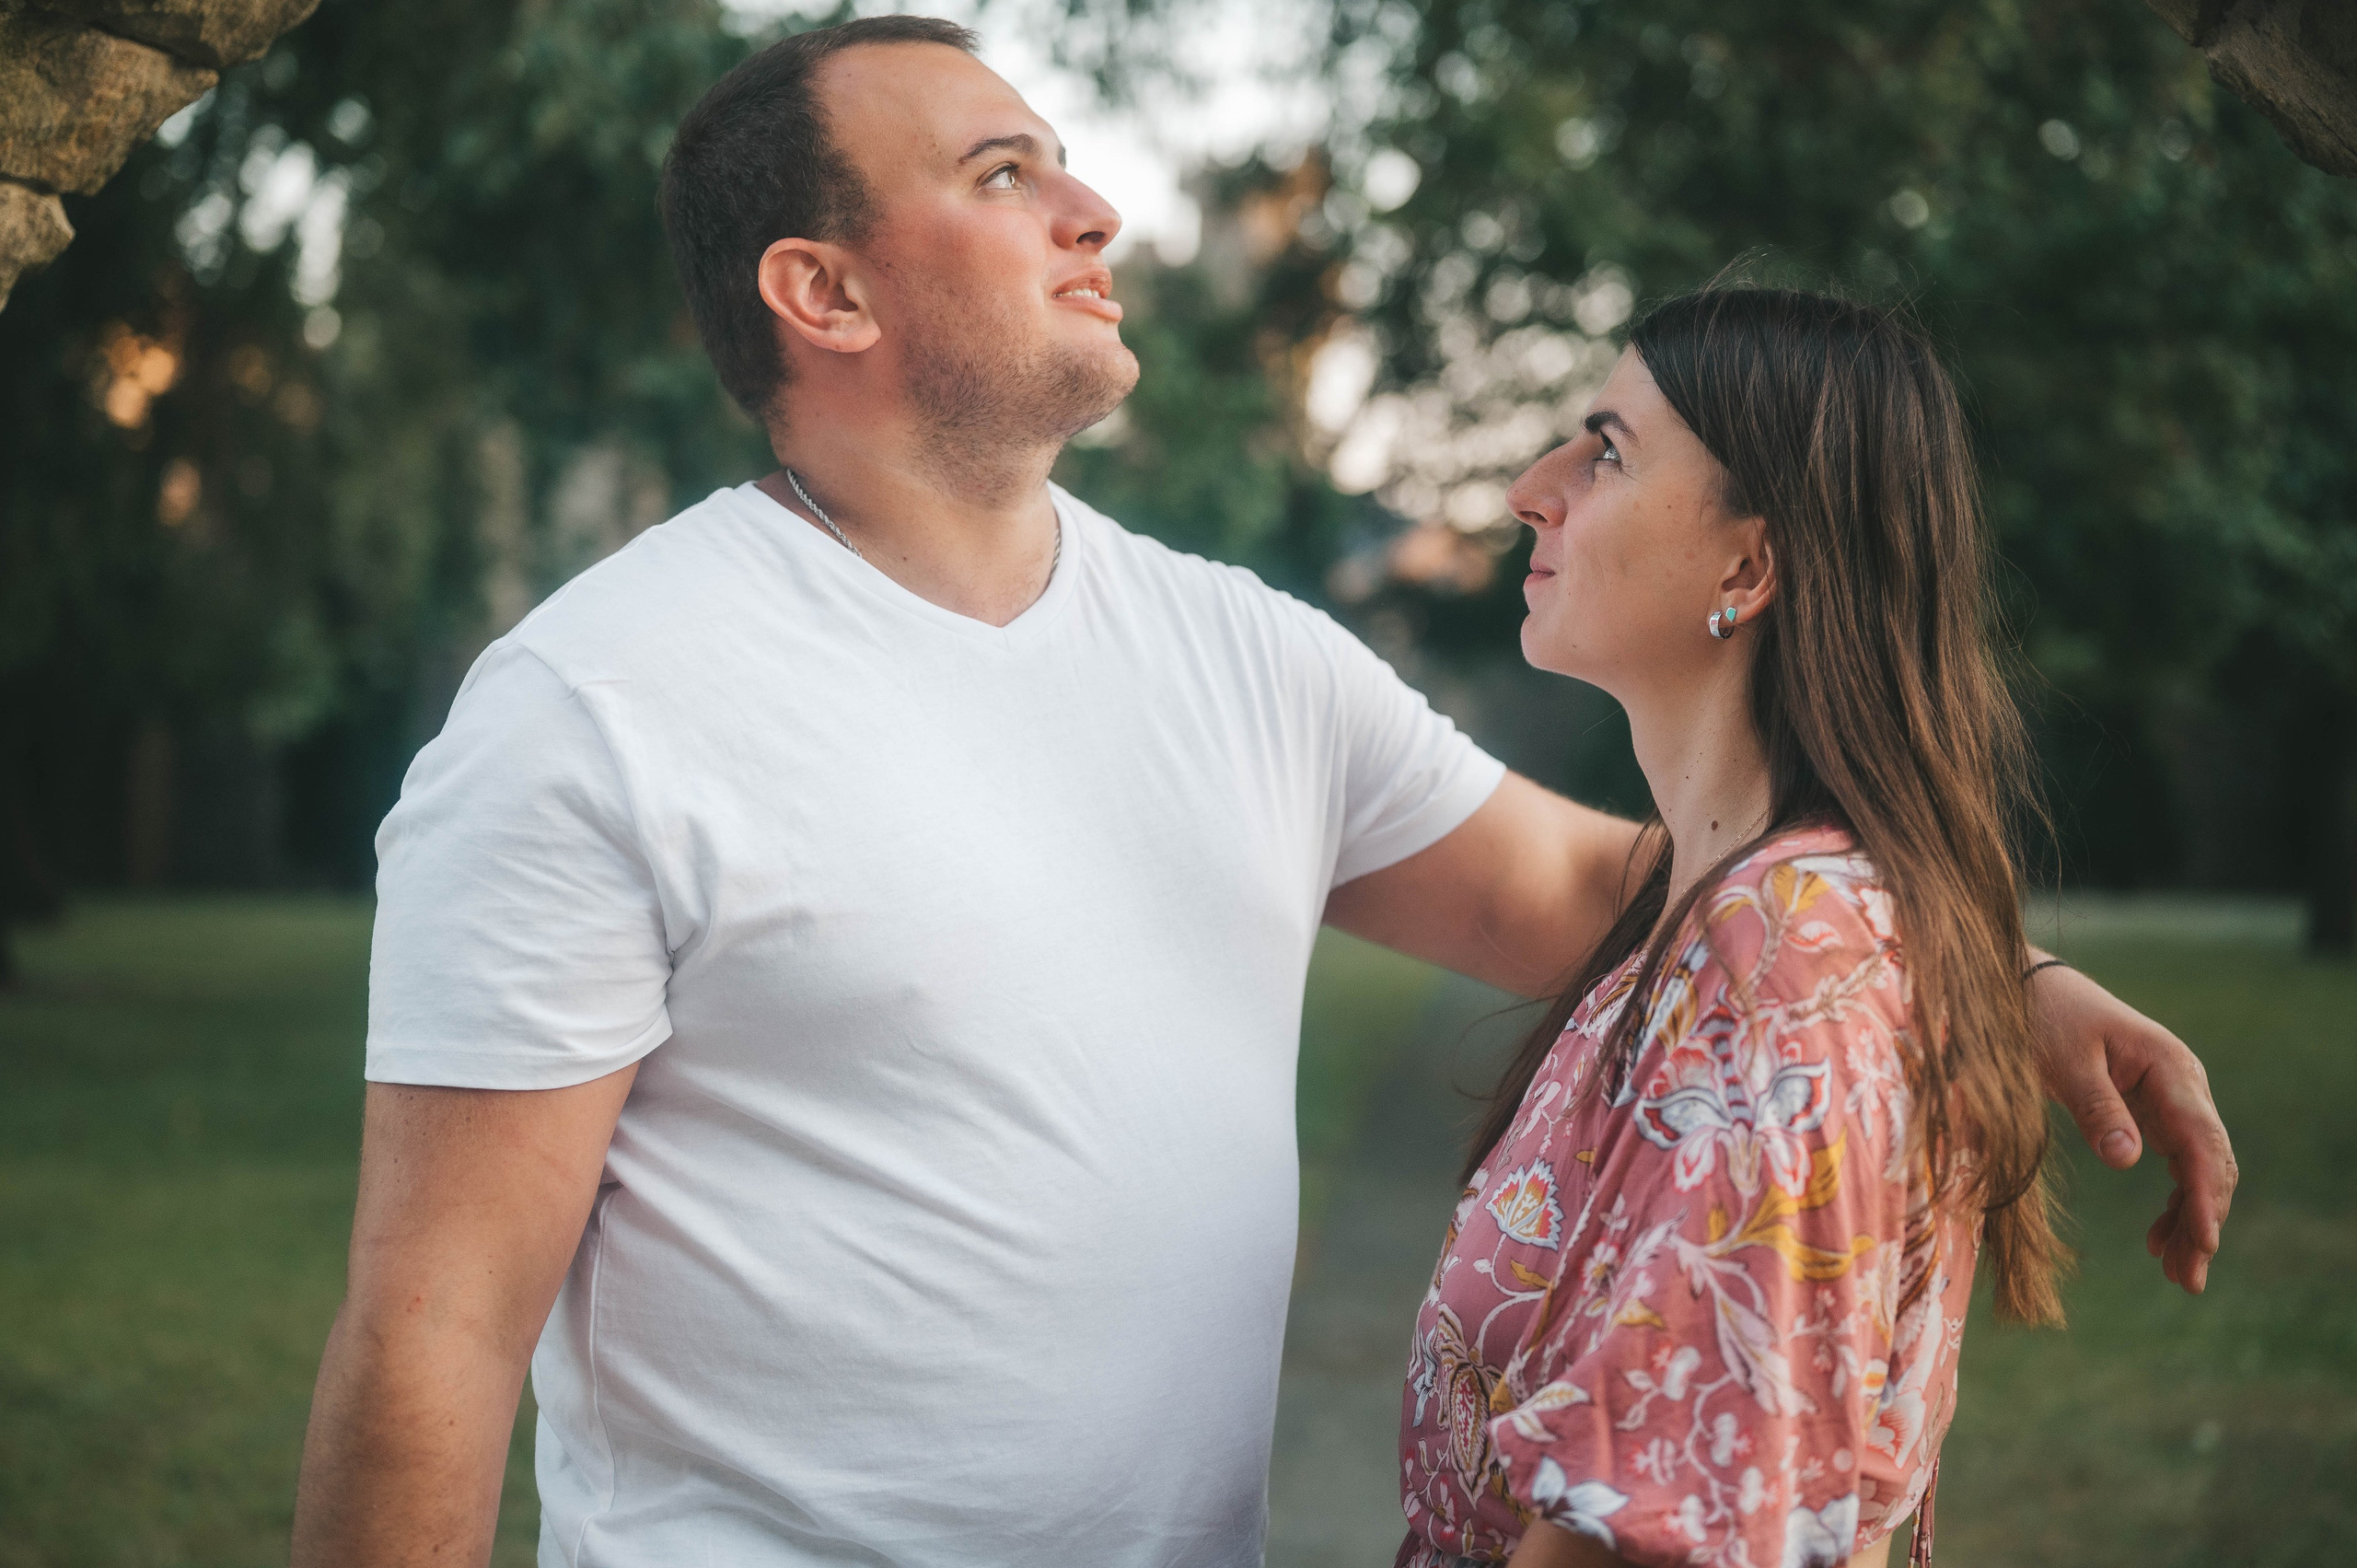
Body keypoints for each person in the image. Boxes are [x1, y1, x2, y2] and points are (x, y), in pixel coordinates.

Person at [289, 20, 2235, 1568]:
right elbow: (429, 1342)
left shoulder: (1237, 652)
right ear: (826, 290)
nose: (1096, 208)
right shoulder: (594, 711)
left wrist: (2004, 965)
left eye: (1061, 156)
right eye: (1003, 173)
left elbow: (1602, 886)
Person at [1394, 288, 2099, 1568]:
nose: (1530, 490)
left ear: (1748, 567)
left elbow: (1658, 1536)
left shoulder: (1791, 957)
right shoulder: (1706, 924)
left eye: (1606, 452)